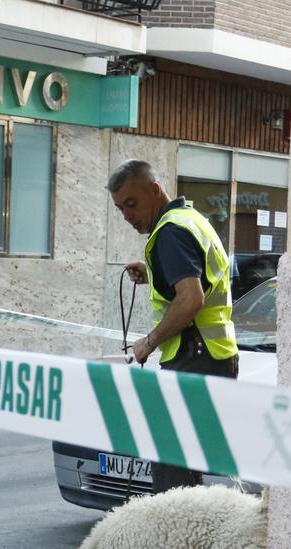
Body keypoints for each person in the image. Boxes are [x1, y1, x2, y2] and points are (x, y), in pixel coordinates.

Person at [108, 159, 239, 494]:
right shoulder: (191, 219)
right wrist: (155, 274)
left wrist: (149, 341)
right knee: (185, 475)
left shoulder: (170, 232)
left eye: (132, 204)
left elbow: (191, 299)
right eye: (121, 208)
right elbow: (203, 286)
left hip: (194, 357)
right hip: (211, 358)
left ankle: (175, 546)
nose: (127, 215)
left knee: (172, 479)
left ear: (155, 189)